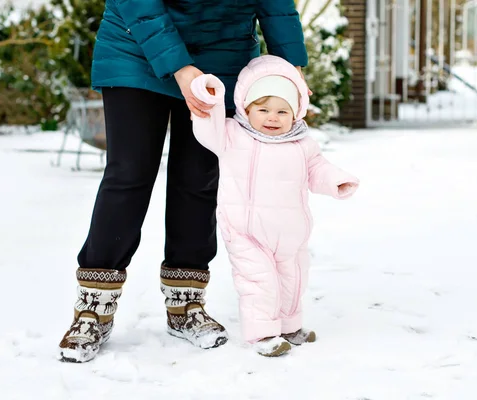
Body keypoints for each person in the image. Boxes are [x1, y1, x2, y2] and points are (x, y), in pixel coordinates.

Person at [58, 0, 310, 363]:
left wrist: (290, 69)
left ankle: (185, 303)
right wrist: (178, 66)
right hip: (136, 47)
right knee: (129, 175)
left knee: (198, 179)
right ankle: (93, 308)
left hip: (222, 55)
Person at [189, 55, 359, 357]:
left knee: (293, 279)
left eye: (282, 111)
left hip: (291, 232)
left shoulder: (302, 143)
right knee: (259, 281)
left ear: (295, 113)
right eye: (263, 109)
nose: (272, 117)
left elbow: (317, 168)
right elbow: (205, 126)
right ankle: (262, 334)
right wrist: (209, 94)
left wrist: (336, 181)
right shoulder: (231, 134)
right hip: (246, 229)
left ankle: (290, 325)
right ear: (247, 108)